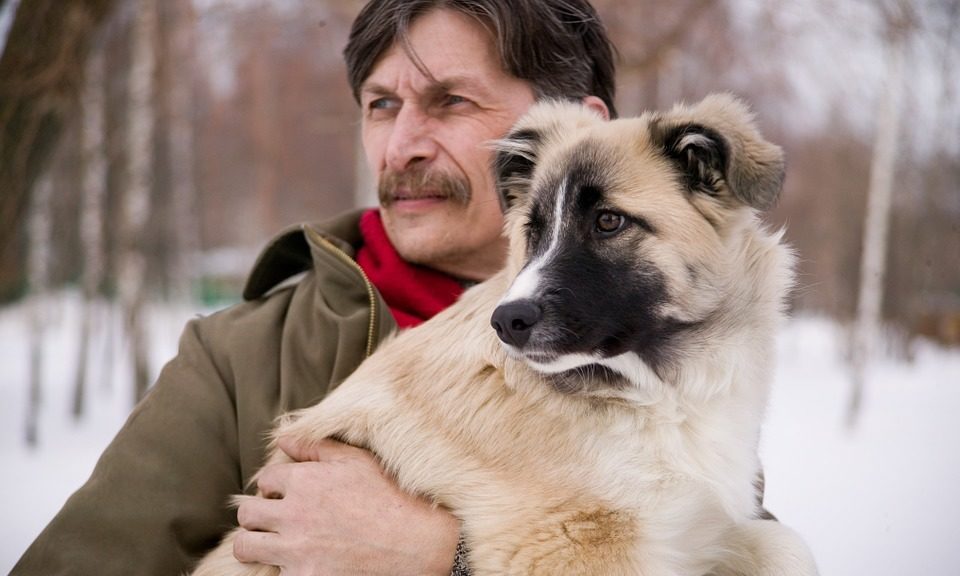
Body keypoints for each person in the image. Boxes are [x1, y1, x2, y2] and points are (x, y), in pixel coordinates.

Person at [12, 1, 618, 574]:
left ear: (581, 129)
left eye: (451, 101)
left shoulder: (666, 363)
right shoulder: (241, 359)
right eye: (382, 105)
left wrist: (453, 559)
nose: (401, 147)